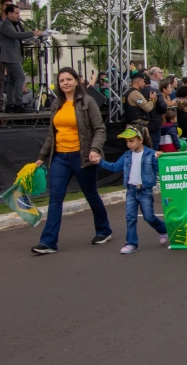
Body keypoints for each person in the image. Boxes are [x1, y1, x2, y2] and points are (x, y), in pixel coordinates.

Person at [31, 67, 111, 254]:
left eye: (69, 79)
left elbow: (100, 129)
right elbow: (52, 134)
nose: (65, 83)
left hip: (82, 156)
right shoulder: (56, 103)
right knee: (55, 197)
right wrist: (42, 157)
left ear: (77, 81)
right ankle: (48, 242)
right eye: (61, 80)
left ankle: (104, 230)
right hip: (59, 157)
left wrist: (94, 149)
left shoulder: (87, 102)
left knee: (91, 194)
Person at [99, 128, 167, 254]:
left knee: (149, 217)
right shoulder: (126, 155)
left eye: (131, 141)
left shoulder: (150, 154)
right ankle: (131, 243)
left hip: (145, 191)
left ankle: (163, 229)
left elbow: (160, 170)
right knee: (130, 217)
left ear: (140, 140)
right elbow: (115, 167)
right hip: (131, 190)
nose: (129, 144)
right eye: (127, 141)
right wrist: (100, 161)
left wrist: (160, 159)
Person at [0, 4, 41, 113]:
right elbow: (15, 35)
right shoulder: (5, 24)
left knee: (12, 81)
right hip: (10, 56)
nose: (19, 15)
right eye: (16, 13)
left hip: (14, 56)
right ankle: (18, 104)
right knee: (20, 78)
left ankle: (10, 104)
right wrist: (33, 33)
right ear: (9, 13)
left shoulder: (13, 24)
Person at [123, 73, 158, 148]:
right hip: (137, 127)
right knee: (143, 150)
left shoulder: (130, 93)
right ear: (139, 82)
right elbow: (148, 107)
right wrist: (152, 99)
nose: (144, 84)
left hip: (135, 126)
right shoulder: (135, 94)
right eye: (143, 82)